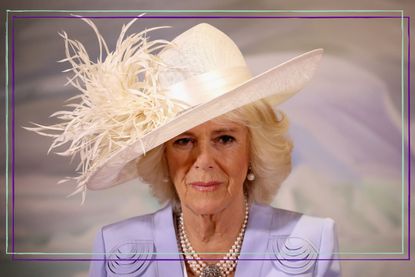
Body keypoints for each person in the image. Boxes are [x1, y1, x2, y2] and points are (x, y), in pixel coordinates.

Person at [29, 17, 340, 277]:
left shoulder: (311, 241)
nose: (203, 161)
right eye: (183, 141)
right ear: (162, 156)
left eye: (225, 138)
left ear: (254, 152)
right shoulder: (116, 246)